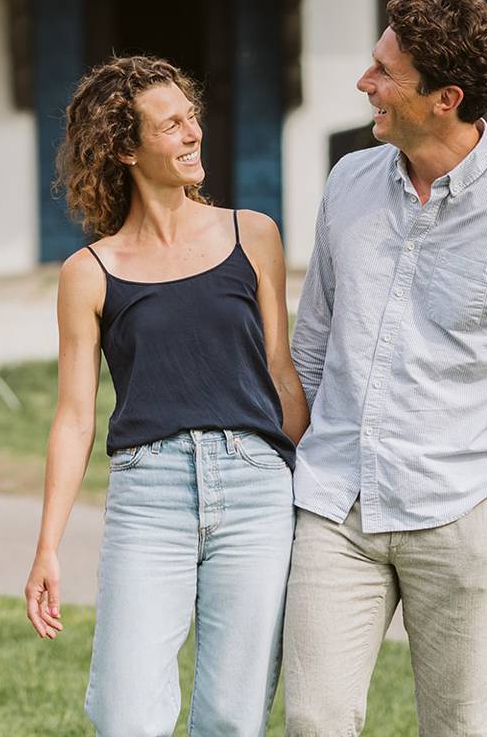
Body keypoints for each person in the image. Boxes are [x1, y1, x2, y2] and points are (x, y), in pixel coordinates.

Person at [282, 0, 487, 736]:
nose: (365, 82)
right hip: (336, 509)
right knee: (312, 719)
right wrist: (298, 459)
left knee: (458, 728)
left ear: (445, 100)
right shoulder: (347, 183)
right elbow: (313, 343)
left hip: (459, 515)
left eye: (384, 72)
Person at [23, 55, 310, 736]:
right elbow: (74, 419)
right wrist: (47, 547)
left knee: (233, 717)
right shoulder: (89, 272)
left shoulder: (253, 234)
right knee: (124, 715)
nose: (193, 133)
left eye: (192, 117)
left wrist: (309, 495)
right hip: (148, 496)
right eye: (171, 125)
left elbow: (281, 374)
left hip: (256, 488)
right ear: (126, 149)